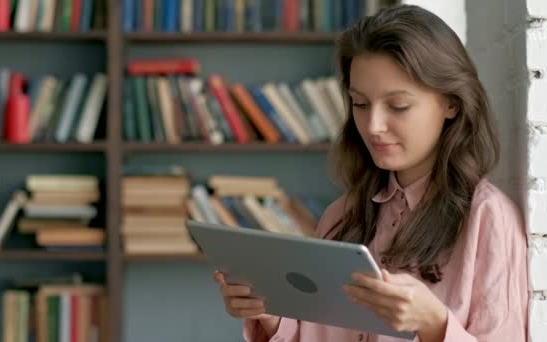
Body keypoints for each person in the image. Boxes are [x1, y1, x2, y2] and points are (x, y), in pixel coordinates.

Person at [214, 4, 529, 342]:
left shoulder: (487, 219)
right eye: (360, 104)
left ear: (451, 103)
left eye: (398, 106)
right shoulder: (341, 216)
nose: (373, 126)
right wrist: (269, 311)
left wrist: (435, 324)